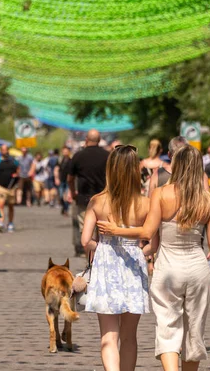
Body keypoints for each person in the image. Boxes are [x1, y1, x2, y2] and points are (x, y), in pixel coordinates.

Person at [97, 145, 210, 371]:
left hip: (167, 266)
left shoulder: (161, 194)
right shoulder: (208, 201)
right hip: (197, 267)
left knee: (167, 327)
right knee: (194, 330)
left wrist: (116, 231)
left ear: (177, 166)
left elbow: (146, 233)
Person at [81, 145, 151, 371]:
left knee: (108, 337)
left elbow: (85, 241)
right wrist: (139, 253)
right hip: (134, 267)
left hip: (106, 267)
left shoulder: (97, 201)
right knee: (129, 337)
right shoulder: (145, 203)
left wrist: (103, 249)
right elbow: (153, 243)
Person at [67, 129, 109, 256]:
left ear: (86, 139)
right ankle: (102, 262)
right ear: (99, 139)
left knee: (86, 234)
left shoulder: (78, 156)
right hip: (104, 200)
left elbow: (70, 178)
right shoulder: (108, 155)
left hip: (84, 200)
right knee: (103, 233)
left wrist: (73, 192)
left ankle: (90, 264)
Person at [0, 144, 19, 233]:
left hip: (11, 187)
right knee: (1, 204)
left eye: (6, 150)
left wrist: (17, 175)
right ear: (0, 151)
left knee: (11, 206)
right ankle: (1, 222)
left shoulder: (13, 161)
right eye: (3, 150)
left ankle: (10, 223)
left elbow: (18, 170)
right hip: (1, 186)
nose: (5, 151)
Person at [55, 146, 71, 216]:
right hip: (61, 180)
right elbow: (56, 169)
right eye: (64, 151)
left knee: (67, 196)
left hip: (68, 181)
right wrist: (56, 178)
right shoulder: (60, 160)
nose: (65, 153)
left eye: (66, 151)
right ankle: (64, 207)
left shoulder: (71, 160)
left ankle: (66, 210)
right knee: (61, 196)